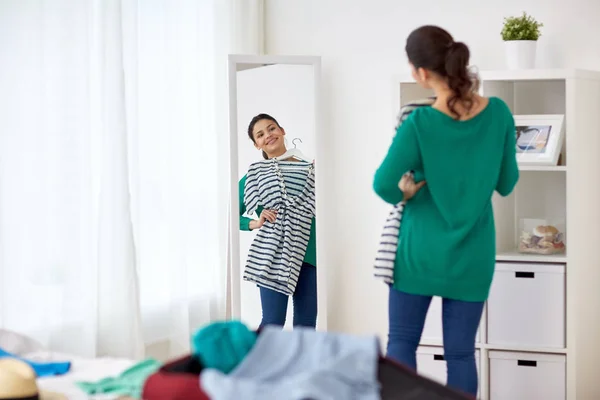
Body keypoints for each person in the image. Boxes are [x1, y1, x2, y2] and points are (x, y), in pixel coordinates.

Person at [373, 26, 519, 397]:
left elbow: (384, 185)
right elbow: (506, 182)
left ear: (420, 73)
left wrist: (404, 191)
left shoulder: (419, 123)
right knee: (460, 354)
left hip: (418, 252)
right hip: (473, 253)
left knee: (403, 343)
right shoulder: (499, 113)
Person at [238, 113, 317, 329]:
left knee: (306, 324)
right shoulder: (256, 174)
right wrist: (254, 222)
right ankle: (261, 363)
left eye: (271, 128)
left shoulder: (312, 169)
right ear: (256, 144)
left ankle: (302, 364)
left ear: (282, 131)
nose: (268, 135)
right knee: (273, 323)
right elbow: (231, 215)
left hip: (310, 256)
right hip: (273, 255)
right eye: (260, 134)